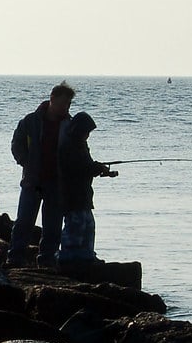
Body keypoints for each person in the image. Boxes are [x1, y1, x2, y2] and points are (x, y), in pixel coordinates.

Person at [6, 81, 75, 267]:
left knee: (53, 226)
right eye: (63, 103)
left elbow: (78, 149)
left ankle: (47, 260)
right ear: (52, 99)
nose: (65, 107)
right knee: (24, 221)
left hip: (56, 181)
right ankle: (15, 258)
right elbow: (16, 144)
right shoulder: (31, 121)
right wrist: (25, 162)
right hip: (32, 179)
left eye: (68, 104)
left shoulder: (69, 125)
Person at [57, 111, 117, 264]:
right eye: (86, 132)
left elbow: (86, 167)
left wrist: (101, 170)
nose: (87, 135)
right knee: (75, 226)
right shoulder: (68, 147)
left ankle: (87, 255)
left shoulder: (81, 145)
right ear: (78, 130)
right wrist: (97, 168)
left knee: (88, 225)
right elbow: (78, 168)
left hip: (83, 195)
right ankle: (68, 258)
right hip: (72, 196)